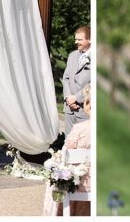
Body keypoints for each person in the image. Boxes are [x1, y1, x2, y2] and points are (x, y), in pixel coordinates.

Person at [43, 84, 93, 216]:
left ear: (88, 105)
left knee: (55, 178)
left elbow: (66, 153)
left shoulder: (79, 129)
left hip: (82, 183)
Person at [62, 26, 91, 134]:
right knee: (68, 143)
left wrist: (76, 98)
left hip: (84, 110)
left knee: (83, 146)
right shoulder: (72, 55)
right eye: (75, 39)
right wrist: (69, 98)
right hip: (69, 109)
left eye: (79, 39)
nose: (76, 42)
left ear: (90, 39)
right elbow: (66, 79)